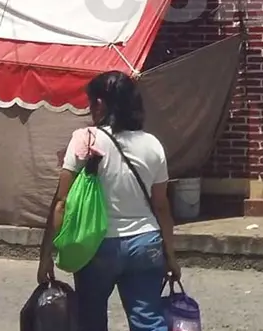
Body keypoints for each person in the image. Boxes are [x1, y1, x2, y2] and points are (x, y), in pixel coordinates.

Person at [37, 71, 180, 331]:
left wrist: (45, 256)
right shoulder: (152, 144)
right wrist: (170, 255)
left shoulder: (85, 139)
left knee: (91, 319)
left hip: (96, 246)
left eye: (90, 102)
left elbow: (61, 201)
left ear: (100, 104)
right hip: (146, 244)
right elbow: (161, 206)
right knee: (148, 320)